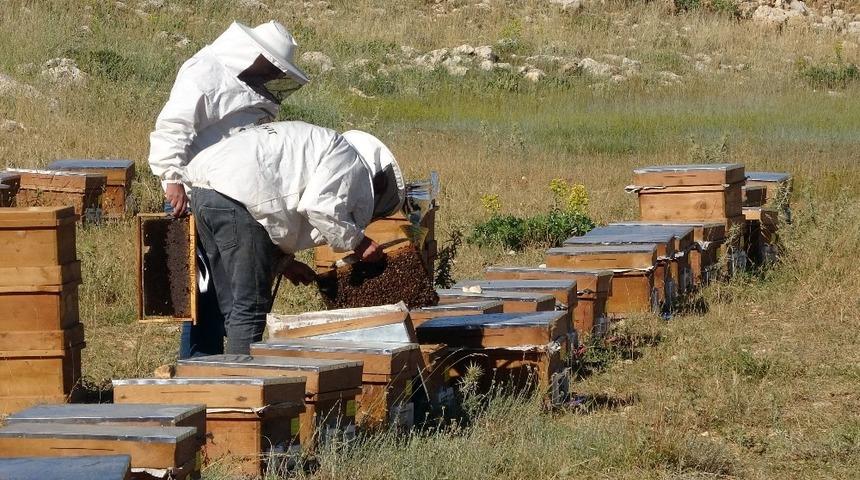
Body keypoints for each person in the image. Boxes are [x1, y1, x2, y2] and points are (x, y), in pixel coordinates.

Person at [147, 20, 309, 358]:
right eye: (270, 66)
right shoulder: (204, 72)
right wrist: (172, 180)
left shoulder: (254, 90)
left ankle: (221, 376)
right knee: (200, 299)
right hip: (192, 197)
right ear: (255, 55)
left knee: (233, 297)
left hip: (233, 199)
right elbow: (173, 126)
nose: (271, 75)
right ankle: (198, 372)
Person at [185, 121, 406, 354]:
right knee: (249, 308)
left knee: (232, 306)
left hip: (205, 192)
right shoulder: (346, 157)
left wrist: (284, 263)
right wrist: (359, 243)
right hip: (235, 198)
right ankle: (240, 385)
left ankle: (221, 379)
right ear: (377, 177)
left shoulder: (320, 145)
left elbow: (277, 201)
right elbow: (319, 208)